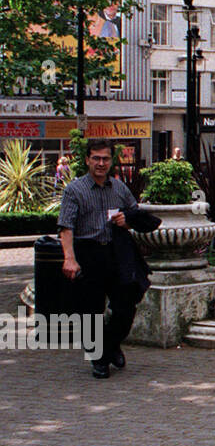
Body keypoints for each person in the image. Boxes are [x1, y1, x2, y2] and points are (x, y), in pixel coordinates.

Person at [57, 138, 160, 379]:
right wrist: (69, 258)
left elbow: (135, 213)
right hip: (88, 253)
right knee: (90, 312)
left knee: (126, 307)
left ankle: (111, 344)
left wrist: (127, 219)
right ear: (87, 160)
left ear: (111, 161)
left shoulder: (119, 188)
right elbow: (66, 227)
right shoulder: (75, 190)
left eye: (105, 158)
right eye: (96, 158)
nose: (100, 163)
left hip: (115, 253)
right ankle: (99, 360)